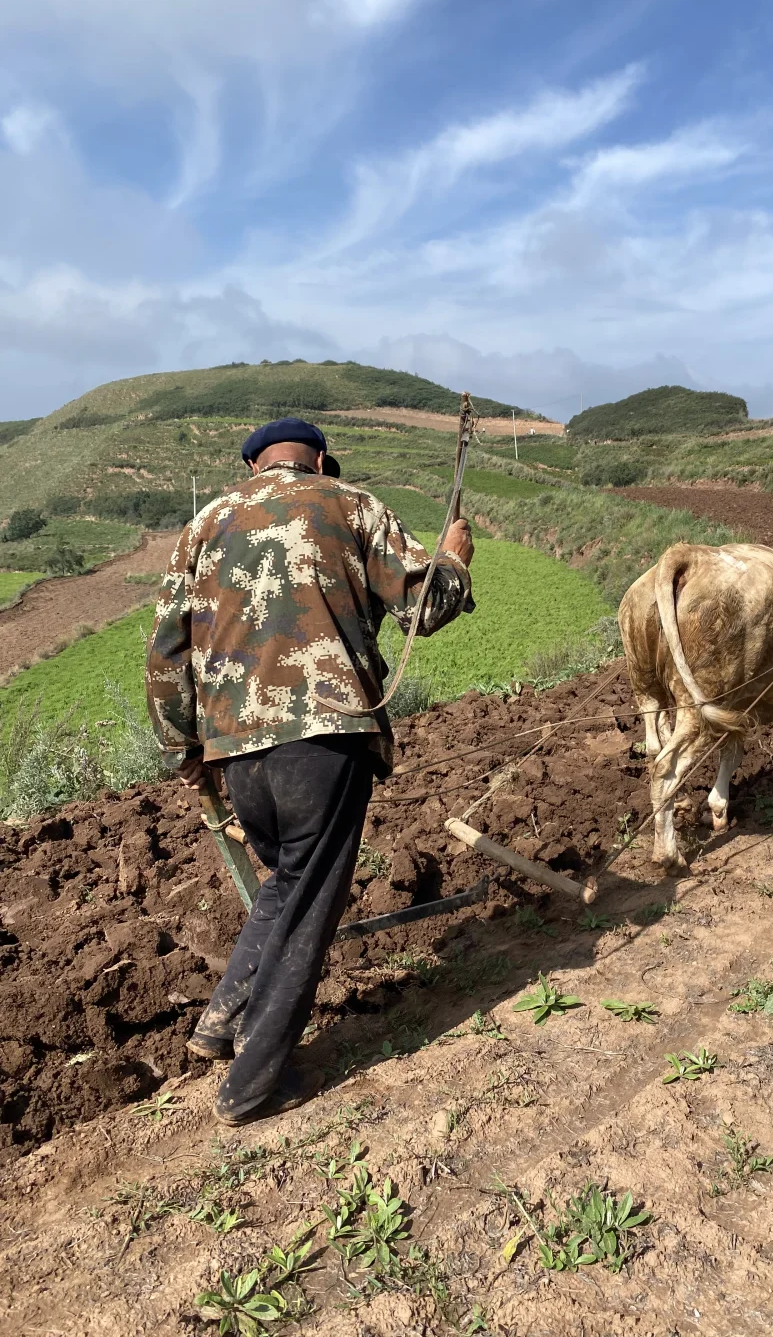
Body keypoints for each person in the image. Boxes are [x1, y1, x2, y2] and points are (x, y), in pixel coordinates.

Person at [145, 418, 473, 1125]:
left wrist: (185, 753)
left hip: (236, 750)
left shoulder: (205, 525)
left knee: (287, 880)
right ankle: (251, 1085)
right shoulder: (351, 505)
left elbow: (166, 651)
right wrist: (454, 558)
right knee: (311, 902)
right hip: (324, 735)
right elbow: (424, 608)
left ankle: (220, 1023)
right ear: (320, 460)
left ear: (254, 466)